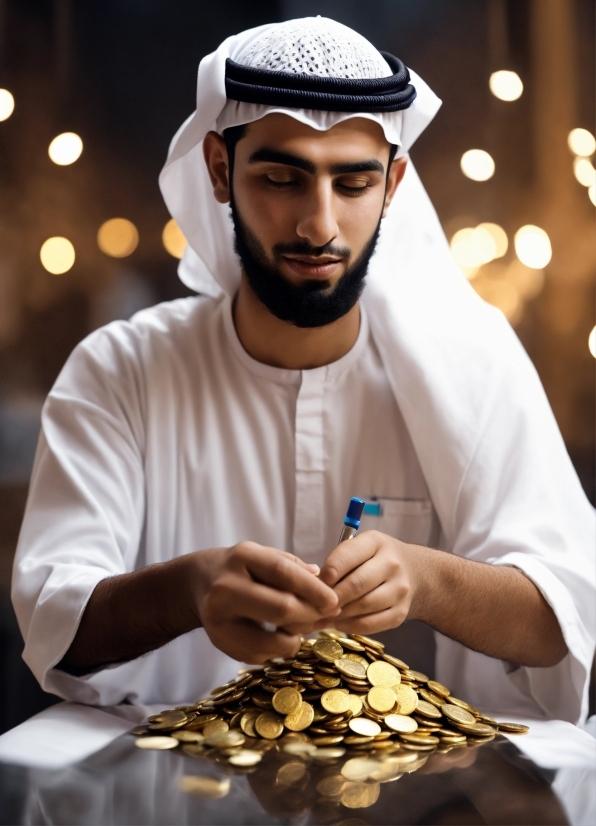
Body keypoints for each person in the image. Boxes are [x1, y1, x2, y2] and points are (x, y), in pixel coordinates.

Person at [12, 17, 594, 720]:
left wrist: (428, 580)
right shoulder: (121, 371)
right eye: (284, 178)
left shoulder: (473, 367)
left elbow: (567, 618)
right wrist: (190, 591)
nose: (319, 224)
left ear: (394, 185)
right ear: (221, 171)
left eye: (353, 184)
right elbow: (53, 621)